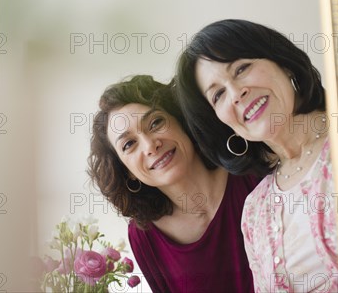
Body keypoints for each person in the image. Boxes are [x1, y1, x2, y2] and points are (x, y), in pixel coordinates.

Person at [175, 19, 338, 292]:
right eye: (218, 95)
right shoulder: (254, 210)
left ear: (282, 62)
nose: (236, 94)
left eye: (241, 68)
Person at [87, 75, 259, 292]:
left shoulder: (252, 174)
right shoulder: (144, 236)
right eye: (129, 144)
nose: (150, 145)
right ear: (126, 172)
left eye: (155, 122)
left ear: (181, 121)